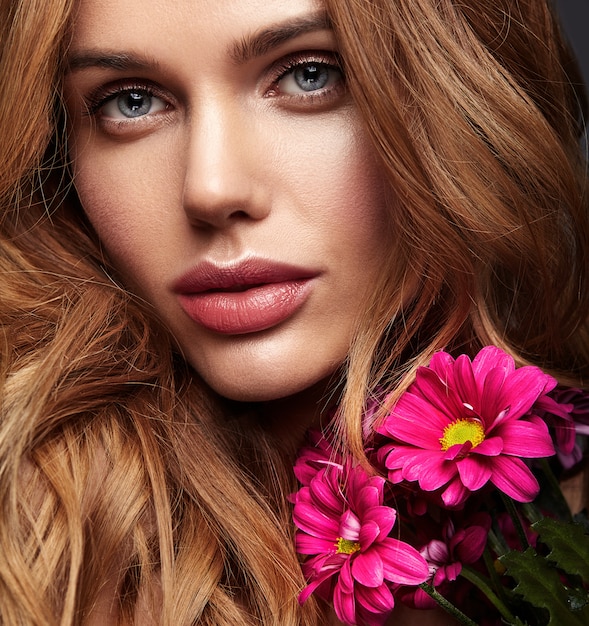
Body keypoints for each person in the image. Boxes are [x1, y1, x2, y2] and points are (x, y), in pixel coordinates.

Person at [0, 0, 587, 624]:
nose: (212, 189)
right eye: (130, 102)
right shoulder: (39, 547)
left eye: (310, 74)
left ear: (457, 96)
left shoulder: (568, 520)